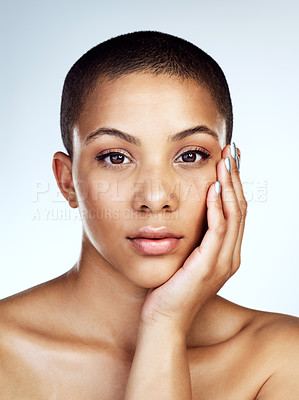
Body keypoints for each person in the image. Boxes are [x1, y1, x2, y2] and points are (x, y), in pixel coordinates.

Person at [0, 30, 298, 399]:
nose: (155, 198)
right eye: (115, 157)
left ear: (229, 170)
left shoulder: (283, 358)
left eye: (190, 155)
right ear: (67, 181)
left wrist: (165, 324)